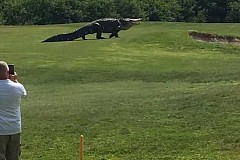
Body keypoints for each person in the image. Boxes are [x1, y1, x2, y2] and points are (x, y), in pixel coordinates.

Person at [0, 61, 27, 160]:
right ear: (8, 72)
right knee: (13, 157)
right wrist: (15, 81)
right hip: (14, 128)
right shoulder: (18, 87)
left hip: (1, 130)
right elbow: (24, 95)